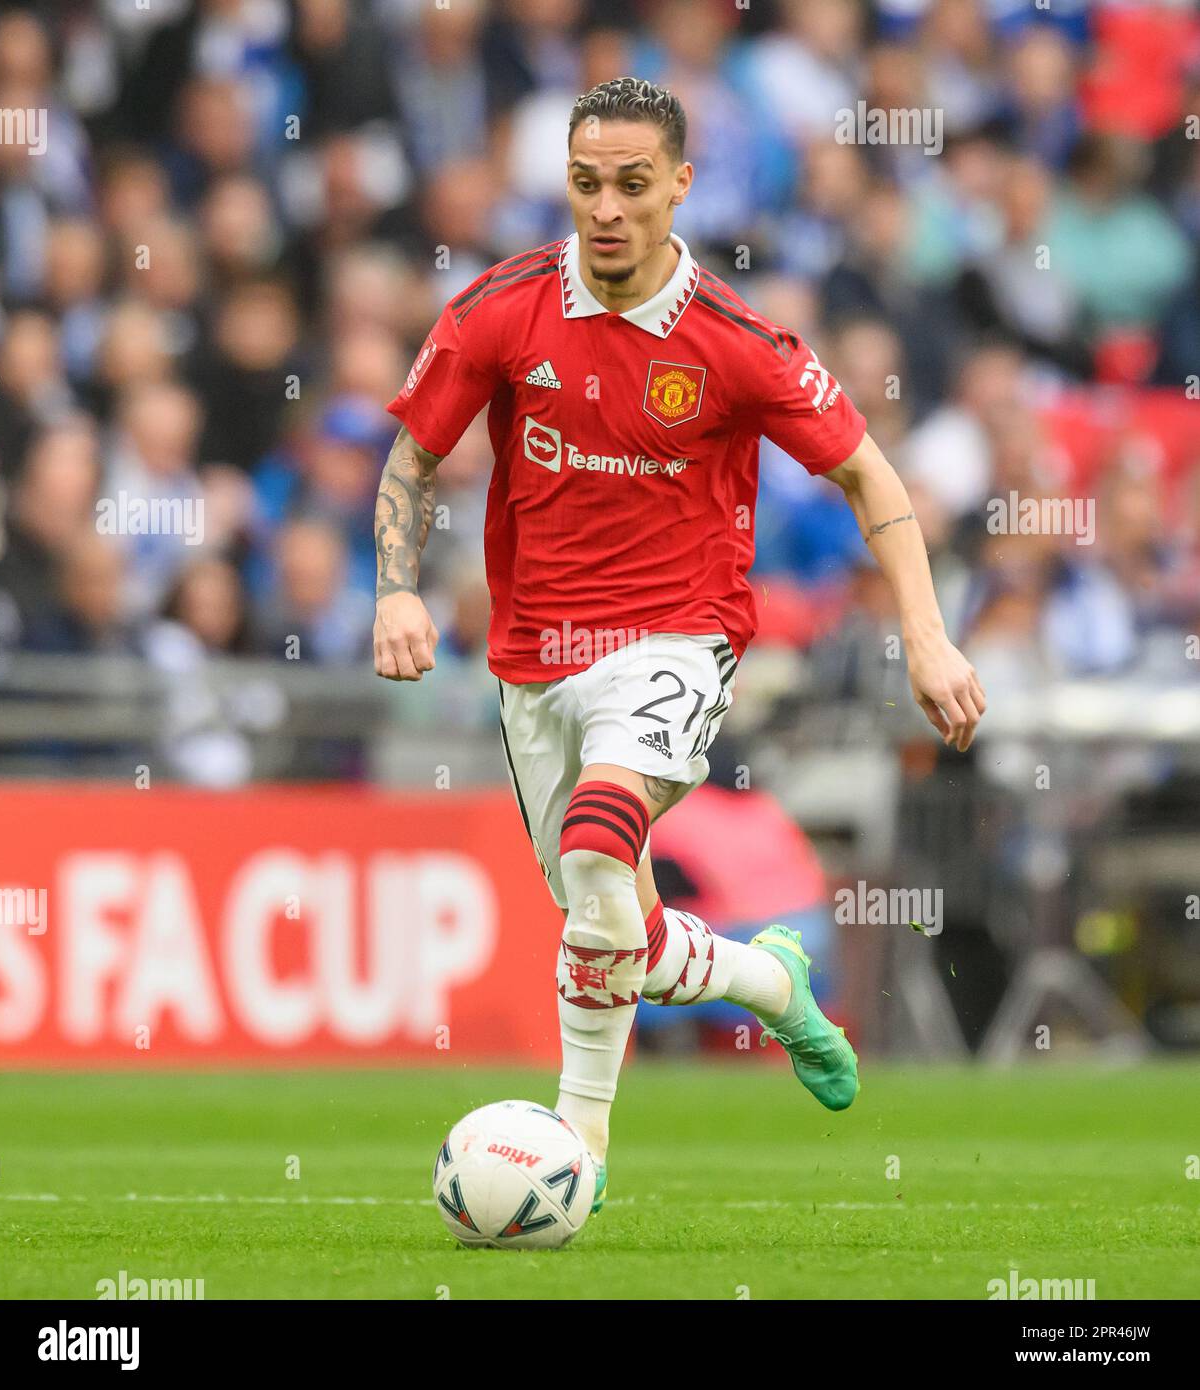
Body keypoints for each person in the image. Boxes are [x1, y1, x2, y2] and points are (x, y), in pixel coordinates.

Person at [373, 77, 985, 1215]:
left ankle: (579, 1154)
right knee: (612, 928)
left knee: (604, 849)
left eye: (633, 185)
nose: (606, 207)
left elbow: (871, 474)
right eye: (586, 183)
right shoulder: (501, 309)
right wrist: (397, 591)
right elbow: (411, 457)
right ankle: (769, 978)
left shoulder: (736, 340)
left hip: (675, 639)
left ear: (680, 188)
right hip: (531, 663)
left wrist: (928, 638)